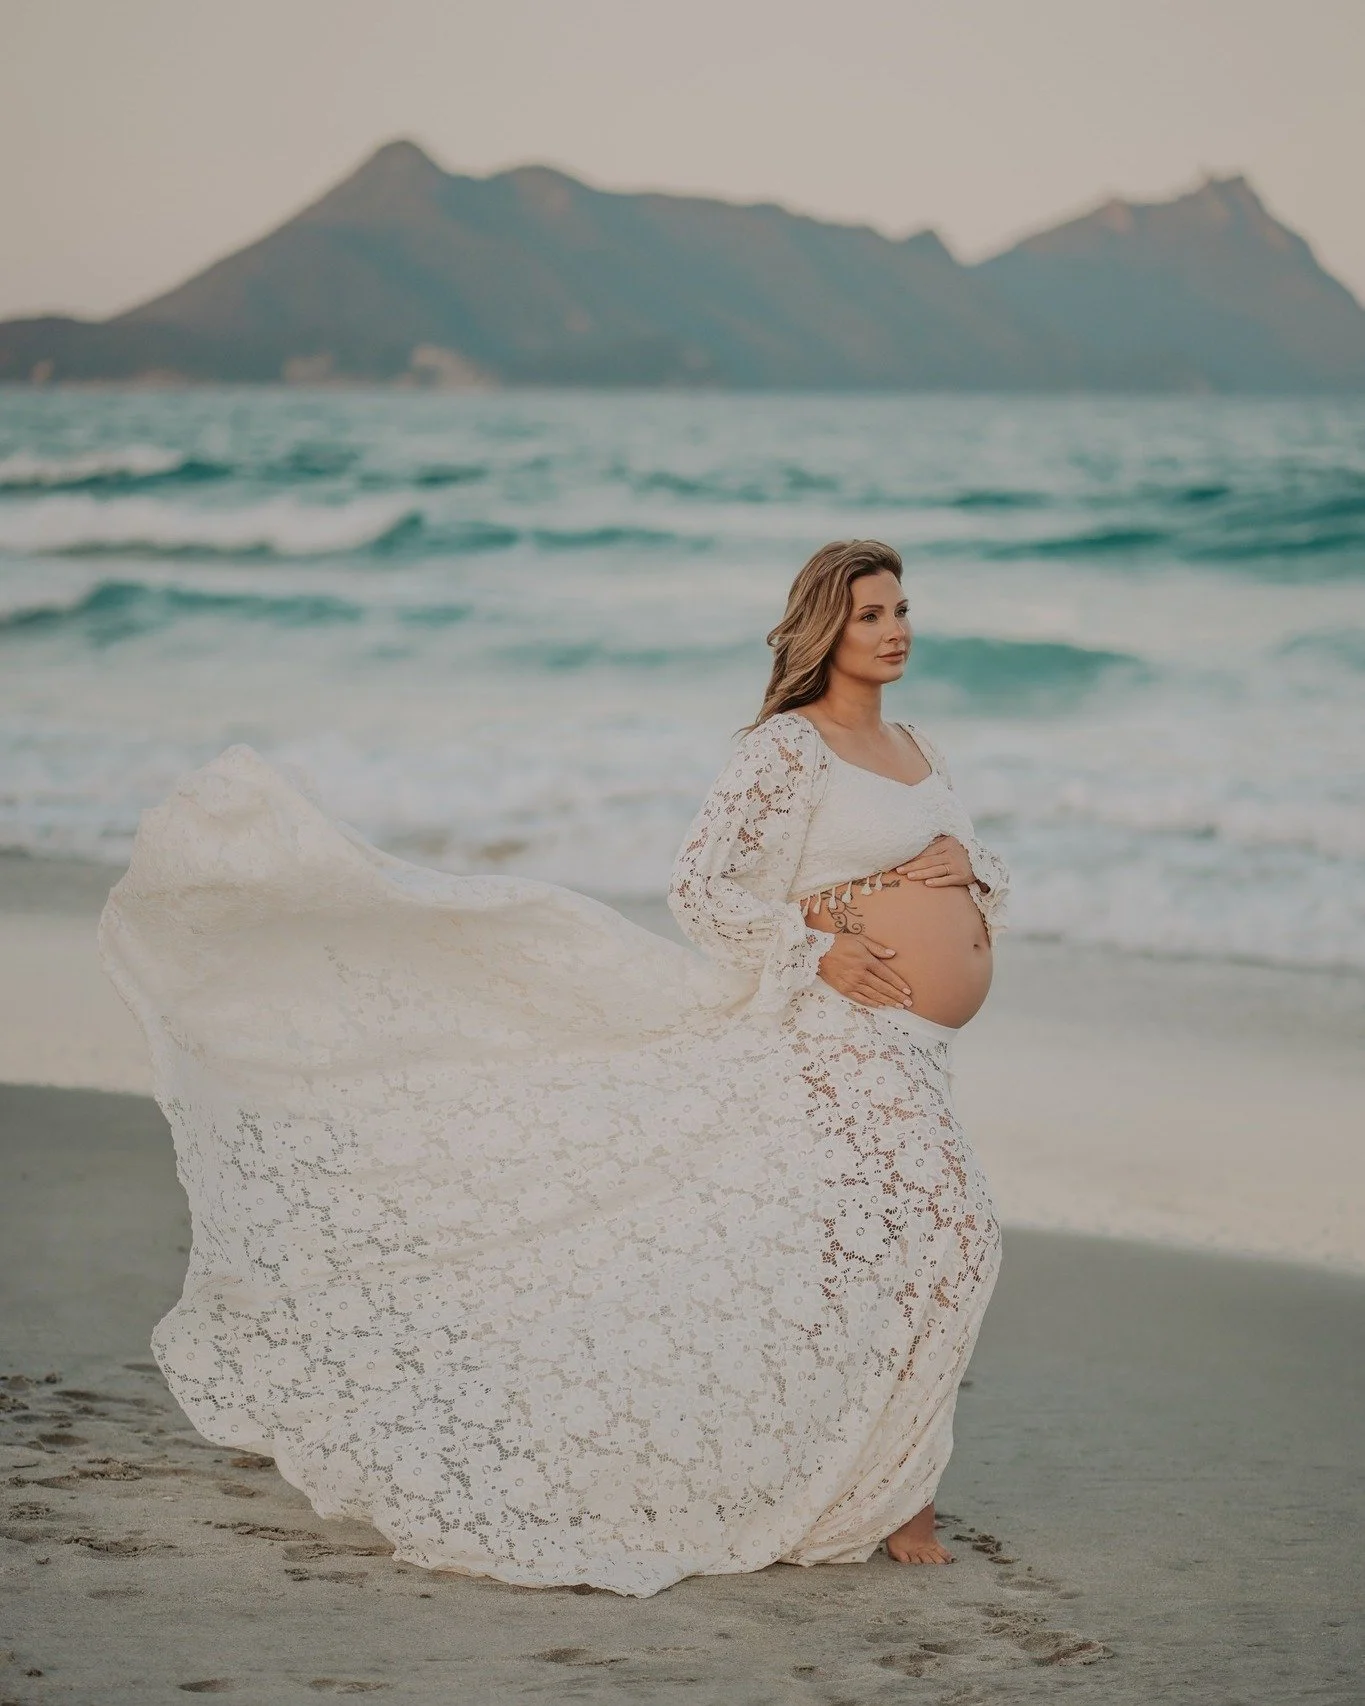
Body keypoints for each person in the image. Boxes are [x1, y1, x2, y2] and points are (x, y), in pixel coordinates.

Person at [97, 537, 1009, 1598]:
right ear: (824, 627)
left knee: (883, 1252)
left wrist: (975, 868)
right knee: (958, 1235)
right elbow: (701, 889)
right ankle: (901, 1498)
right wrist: (820, 942)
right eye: (869, 613)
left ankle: (864, 1475)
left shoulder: (918, 744)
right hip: (842, 1029)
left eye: (901, 609)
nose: (894, 630)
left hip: (923, 1046)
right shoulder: (786, 748)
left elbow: (962, 876)